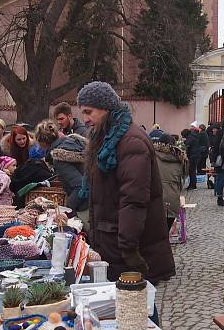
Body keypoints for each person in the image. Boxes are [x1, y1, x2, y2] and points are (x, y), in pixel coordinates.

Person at [77, 81, 175, 283]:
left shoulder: (130, 142)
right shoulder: (106, 138)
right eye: (83, 112)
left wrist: (128, 249)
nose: (84, 119)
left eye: (89, 112)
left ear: (106, 109)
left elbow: (134, 200)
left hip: (124, 248)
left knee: (137, 306)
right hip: (112, 241)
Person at [47, 124, 89, 216]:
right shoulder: (74, 144)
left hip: (85, 207)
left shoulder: (59, 158)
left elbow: (80, 186)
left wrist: (67, 209)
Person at [153, 134, 187, 229]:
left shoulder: (152, 157)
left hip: (156, 201)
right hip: (172, 201)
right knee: (164, 234)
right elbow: (182, 180)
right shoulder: (180, 159)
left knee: (156, 236)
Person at [9, 137, 53, 208]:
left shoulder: (20, 169)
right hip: (38, 205)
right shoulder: (44, 172)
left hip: (18, 204)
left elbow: (11, 186)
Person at [184, 122, 201, 190]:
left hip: (193, 156)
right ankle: (192, 184)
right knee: (192, 171)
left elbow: (187, 144)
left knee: (192, 171)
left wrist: (185, 142)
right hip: (195, 155)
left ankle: (193, 185)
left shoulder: (190, 137)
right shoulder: (194, 136)